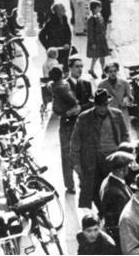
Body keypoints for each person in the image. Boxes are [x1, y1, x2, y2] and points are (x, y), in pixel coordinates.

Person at [70, 88, 130, 211]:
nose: (102, 109)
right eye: (99, 106)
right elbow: (75, 143)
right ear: (95, 105)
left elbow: (125, 135)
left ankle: (114, 212)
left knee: (118, 187)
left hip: (114, 159)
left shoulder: (117, 115)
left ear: (108, 104)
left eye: (105, 105)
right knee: (95, 189)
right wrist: (76, 164)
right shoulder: (84, 118)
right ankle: (103, 212)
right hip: (94, 160)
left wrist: (126, 154)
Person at [50, 65, 81, 194]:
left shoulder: (53, 86)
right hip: (72, 121)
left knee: (66, 154)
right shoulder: (63, 87)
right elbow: (73, 101)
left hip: (64, 122)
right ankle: (80, 179)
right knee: (77, 151)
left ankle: (69, 184)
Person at [99, 151, 134, 246]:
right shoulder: (114, 192)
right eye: (128, 166)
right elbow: (121, 220)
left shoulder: (109, 181)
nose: (130, 168)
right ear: (120, 170)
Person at [86, 0, 109, 79]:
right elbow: (90, 32)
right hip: (96, 40)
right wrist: (93, 43)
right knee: (97, 56)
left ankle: (99, 71)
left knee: (100, 56)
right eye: (99, 7)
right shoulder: (91, 18)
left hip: (101, 39)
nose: (100, 8)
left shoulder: (99, 15)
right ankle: (97, 71)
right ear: (95, 8)